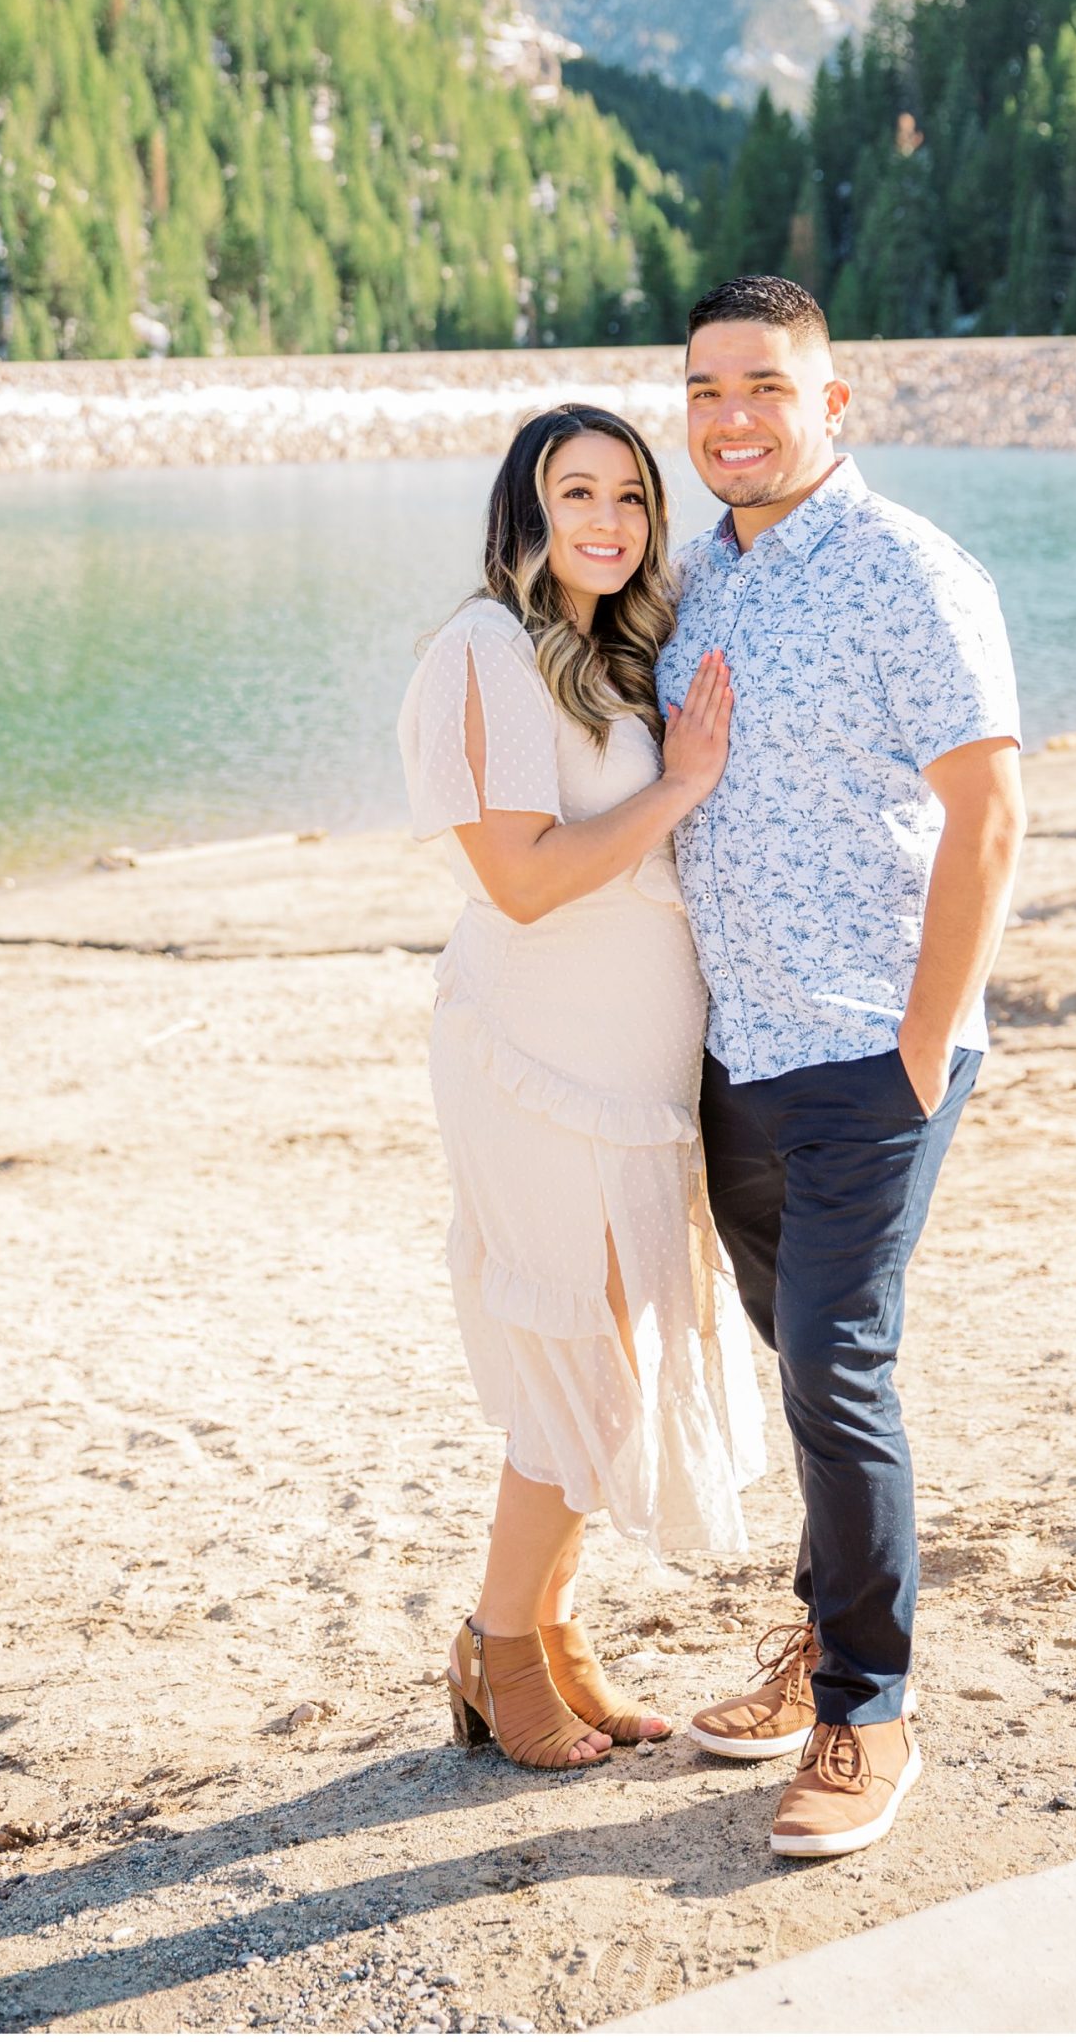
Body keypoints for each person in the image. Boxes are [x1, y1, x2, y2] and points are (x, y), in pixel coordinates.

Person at [658, 275, 1027, 1859]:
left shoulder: (908, 572)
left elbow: (990, 814)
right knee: (803, 1369)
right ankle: (820, 1638)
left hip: (872, 1052)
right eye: (705, 392)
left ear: (834, 401)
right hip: (733, 1049)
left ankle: (867, 1709)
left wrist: (926, 1042)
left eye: (764, 388)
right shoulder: (694, 578)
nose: (732, 418)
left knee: (836, 1362)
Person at [397, 403, 766, 1773]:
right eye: (577, 492)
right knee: (578, 1355)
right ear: (526, 509)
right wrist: (679, 791)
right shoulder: (483, 652)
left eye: (629, 497)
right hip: (536, 1056)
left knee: (607, 1353)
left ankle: (546, 1638)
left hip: (630, 1071)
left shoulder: (612, 654)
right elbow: (528, 880)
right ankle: (502, 1646)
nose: (608, 520)